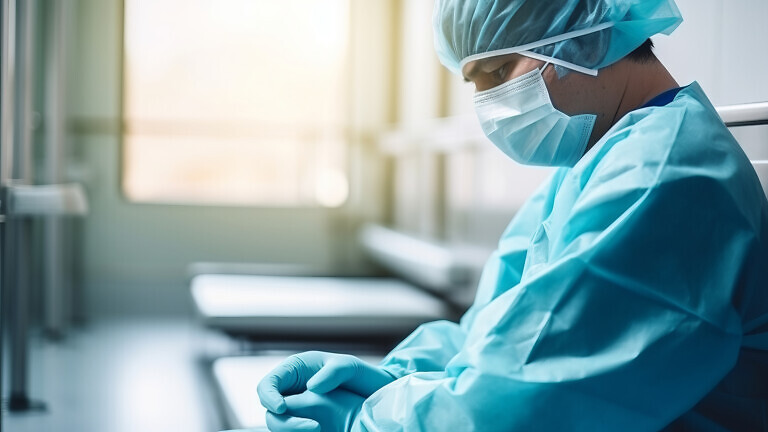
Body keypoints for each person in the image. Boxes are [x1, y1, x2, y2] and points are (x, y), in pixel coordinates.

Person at [257, 0, 768, 430]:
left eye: (499, 73)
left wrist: (366, 419)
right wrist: (390, 377)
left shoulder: (665, 177)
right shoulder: (596, 165)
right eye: (474, 82)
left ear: (583, 42)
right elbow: (493, 333)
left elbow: (521, 403)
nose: (485, 104)